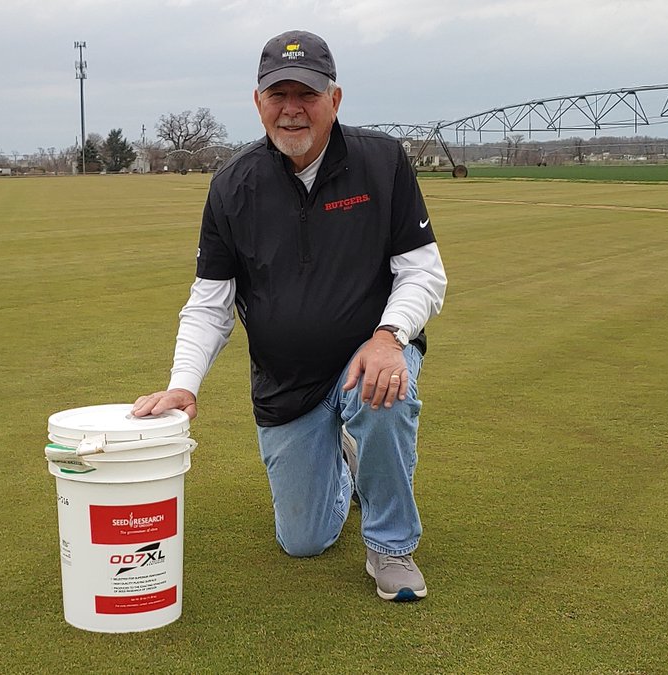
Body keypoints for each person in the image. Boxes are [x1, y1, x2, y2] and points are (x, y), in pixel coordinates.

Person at [132, 29, 446, 602]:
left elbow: (423, 273)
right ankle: (347, 466)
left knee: (385, 392)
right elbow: (210, 303)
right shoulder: (232, 185)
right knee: (303, 540)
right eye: (278, 95)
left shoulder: (381, 162)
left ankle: (391, 546)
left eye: (308, 93)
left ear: (336, 99)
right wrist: (183, 385)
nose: (292, 109)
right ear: (258, 103)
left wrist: (389, 335)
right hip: (286, 381)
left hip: (366, 352)